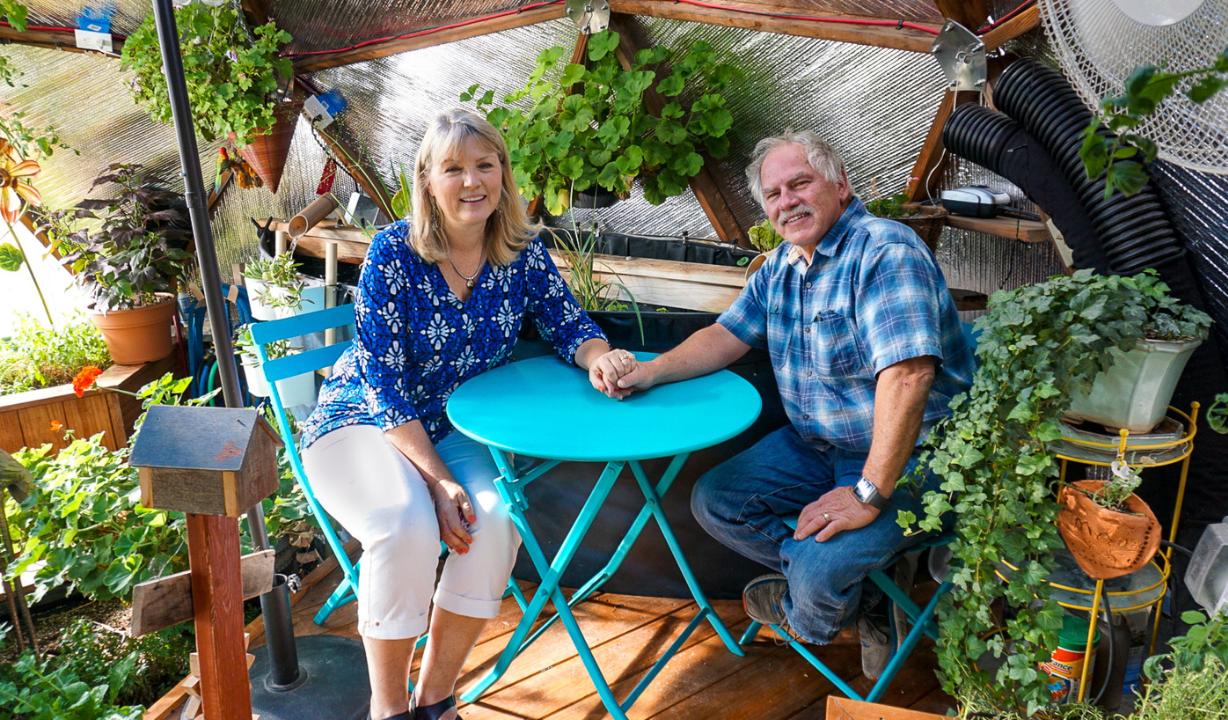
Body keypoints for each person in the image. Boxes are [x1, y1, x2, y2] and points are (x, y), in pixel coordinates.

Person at [299, 109, 637, 720]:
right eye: (454, 168)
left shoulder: (522, 255)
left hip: (458, 427)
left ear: (504, 175)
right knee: (405, 525)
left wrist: (600, 357)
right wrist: (437, 479)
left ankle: (435, 699)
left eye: (486, 165)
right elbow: (384, 388)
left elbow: (567, 325)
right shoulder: (392, 254)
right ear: (428, 179)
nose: (472, 181)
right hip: (364, 422)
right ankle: (389, 708)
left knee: (494, 523)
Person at [598, 130, 974, 679]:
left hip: (917, 454)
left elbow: (909, 374)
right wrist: (649, 372)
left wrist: (869, 491)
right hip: (819, 447)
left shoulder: (883, 250)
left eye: (800, 183)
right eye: (773, 194)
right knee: (717, 500)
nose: (786, 201)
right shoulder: (782, 266)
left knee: (823, 567)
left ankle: (817, 609)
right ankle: (865, 595)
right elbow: (726, 336)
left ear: (840, 186)